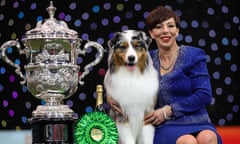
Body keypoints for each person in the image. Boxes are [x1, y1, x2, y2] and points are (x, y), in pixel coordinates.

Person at [107, 5, 222, 144]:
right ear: (151, 33)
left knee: (208, 138)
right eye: (159, 27)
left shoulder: (194, 55)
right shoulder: (145, 59)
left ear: (177, 31)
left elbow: (204, 95)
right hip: (165, 125)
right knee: (188, 141)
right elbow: (122, 78)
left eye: (171, 26)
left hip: (196, 119)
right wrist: (111, 95)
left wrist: (168, 111)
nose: (165, 31)